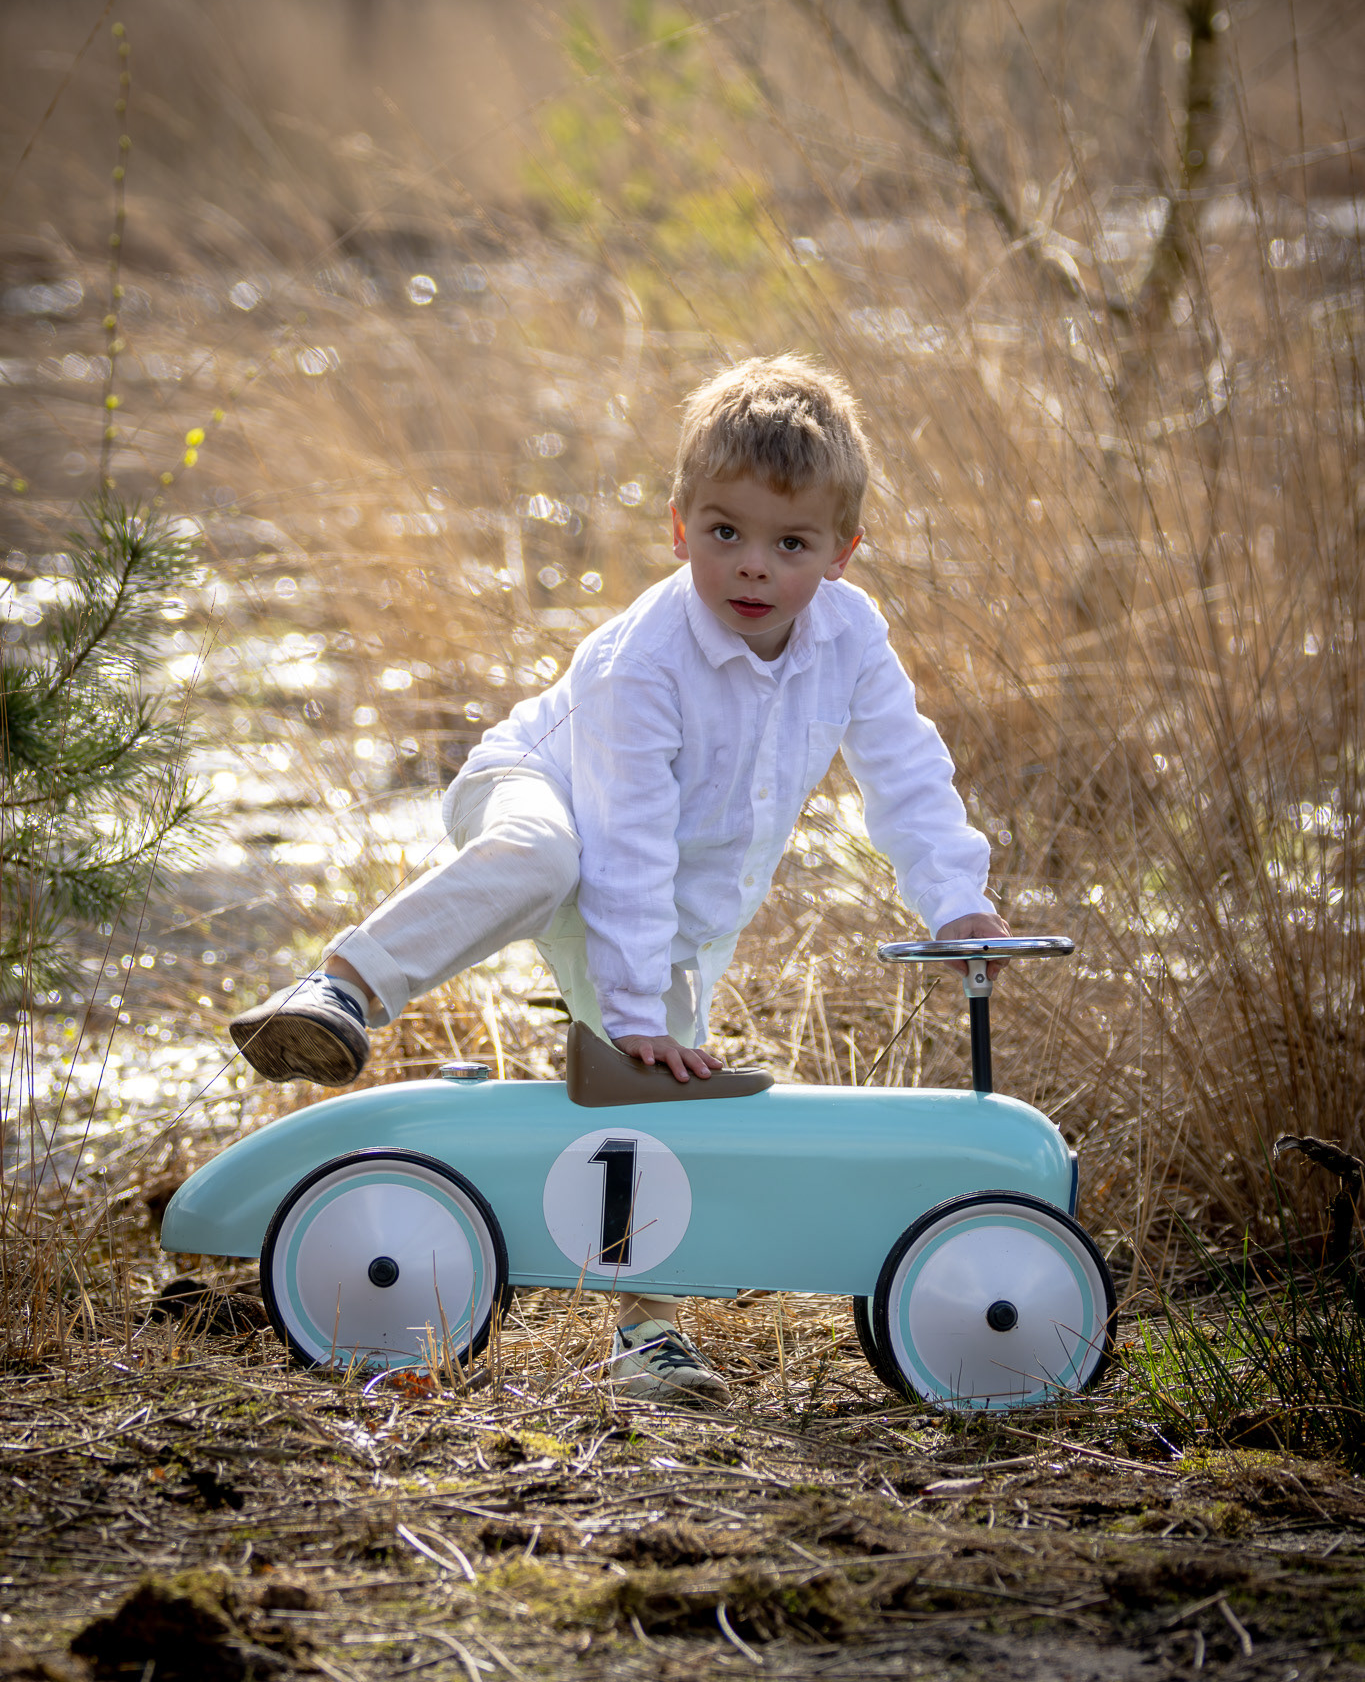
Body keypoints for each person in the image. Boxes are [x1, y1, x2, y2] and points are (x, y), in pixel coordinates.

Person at [230, 354, 1009, 1400]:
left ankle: (645, 1332)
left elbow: (906, 769)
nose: (752, 567)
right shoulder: (646, 659)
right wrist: (631, 1003)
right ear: (680, 525)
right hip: (543, 785)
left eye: (790, 543)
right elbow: (627, 835)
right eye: (724, 531)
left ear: (842, 555)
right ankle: (346, 987)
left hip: (685, 900)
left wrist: (955, 896)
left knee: (659, 1093)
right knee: (550, 857)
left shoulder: (851, 637)